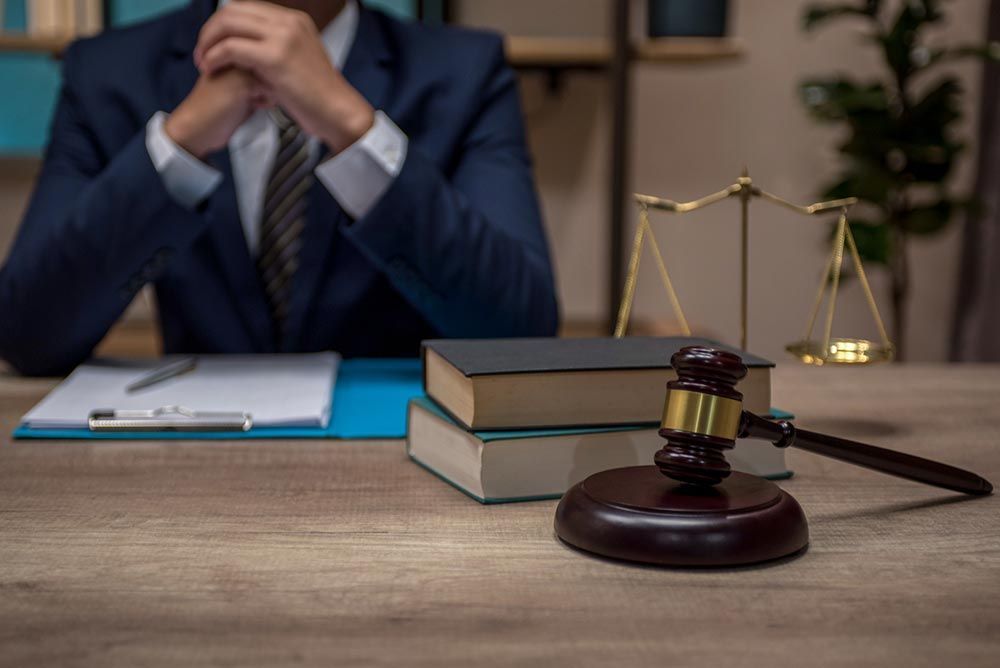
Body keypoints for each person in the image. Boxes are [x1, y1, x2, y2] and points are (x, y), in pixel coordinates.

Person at [0, 0, 558, 375]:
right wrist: (181, 140)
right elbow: (28, 335)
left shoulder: (464, 71)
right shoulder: (108, 72)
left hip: (398, 471)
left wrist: (353, 129)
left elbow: (522, 334)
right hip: (184, 466)